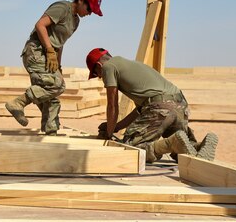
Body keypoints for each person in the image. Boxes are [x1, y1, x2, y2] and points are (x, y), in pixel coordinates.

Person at [85, 47, 218, 163]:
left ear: (99, 65)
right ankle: (199, 146)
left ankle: (171, 143)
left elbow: (112, 105)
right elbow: (140, 112)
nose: (100, 77)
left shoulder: (109, 67)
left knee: (131, 149)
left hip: (160, 107)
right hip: (179, 104)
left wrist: (108, 133)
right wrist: (116, 127)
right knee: (184, 154)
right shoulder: (132, 66)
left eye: (97, 74)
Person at [5, 0, 103, 135]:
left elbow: (60, 43)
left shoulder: (76, 21)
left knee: (51, 99)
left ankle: (50, 132)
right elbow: (40, 25)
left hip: (48, 55)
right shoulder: (62, 8)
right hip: (36, 51)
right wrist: (49, 50)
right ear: (81, 0)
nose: (89, 13)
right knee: (57, 85)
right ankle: (18, 103)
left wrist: (58, 64)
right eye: (90, 9)